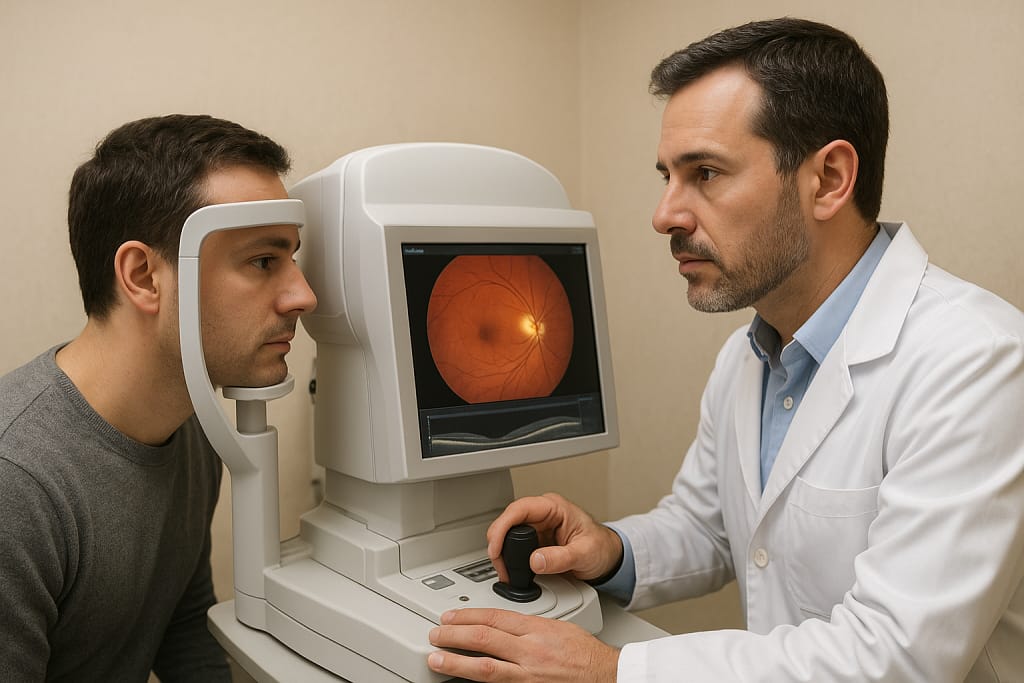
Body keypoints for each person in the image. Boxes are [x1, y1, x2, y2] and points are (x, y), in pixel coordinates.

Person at [426, 17, 1024, 682]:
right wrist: (612, 549)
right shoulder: (750, 353)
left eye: (704, 172)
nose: (665, 215)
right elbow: (710, 525)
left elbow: (894, 657)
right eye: (667, 176)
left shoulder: (977, 363)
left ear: (828, 178)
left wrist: (616, 671)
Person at [0, 114, 318, 681]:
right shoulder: (18, 485)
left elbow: (183, 626)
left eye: (291, 259)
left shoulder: (190, 426)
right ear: (144, 276)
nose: (302, 295)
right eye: (264, 261)